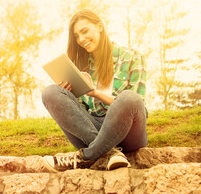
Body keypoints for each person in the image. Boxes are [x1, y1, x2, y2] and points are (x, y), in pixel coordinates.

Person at [42, 9, 148, 172]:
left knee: (129, 98)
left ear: (99, 26)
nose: (81, 39)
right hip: (94, 130)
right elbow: (79, 118)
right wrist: (68, 94)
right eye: (77, 36)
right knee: (50, 92)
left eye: (85, 31)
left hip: (128, 133)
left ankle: (87, 157)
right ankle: (109, 154)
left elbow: (139, 107)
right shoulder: (81, 67)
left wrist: (96, 93)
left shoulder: (132, 56)